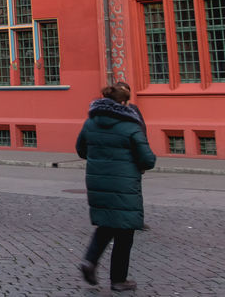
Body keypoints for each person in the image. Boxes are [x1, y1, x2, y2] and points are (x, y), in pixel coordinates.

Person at [76, 84, 156, 292]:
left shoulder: (90, 122)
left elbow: (81, 149)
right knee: (124, 231)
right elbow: (147, 159)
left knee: (106, 225)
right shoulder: (130, 125)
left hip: (97, 182)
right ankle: (118, 279)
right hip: (124, 183)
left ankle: (89, 261)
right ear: (123, 102)